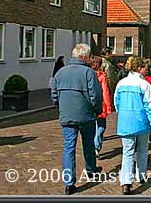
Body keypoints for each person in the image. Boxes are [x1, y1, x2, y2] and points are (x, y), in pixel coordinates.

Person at [51, 44, 103, 195]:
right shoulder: (88, 72)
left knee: (69, 148)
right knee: (88, 144)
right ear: (85, 57)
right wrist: (97, 110)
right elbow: (95, 95)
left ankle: (69, 182)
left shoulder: (60, 72)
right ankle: (91, 170)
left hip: (67, 115)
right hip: (86, 116)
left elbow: (54, 94)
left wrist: (61, 107)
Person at [115, 56, 151, 195]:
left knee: (127, 152)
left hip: (125, 121)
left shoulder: (121, 83)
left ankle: (126, 182)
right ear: (139, 68)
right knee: (142, 150)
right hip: (141, 121)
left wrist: (122, 114)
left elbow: (117, 102)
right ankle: (141, 176)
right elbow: (150, 106)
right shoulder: (144, 84)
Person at [90, 56, 112, 159]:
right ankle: (96, 146)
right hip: (100, 104)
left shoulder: (86, 75)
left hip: (89, 105)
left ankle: (94, 146)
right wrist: (108, 106)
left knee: (93, 127)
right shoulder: (102, 76)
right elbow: (105, 92)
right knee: (101, 126)